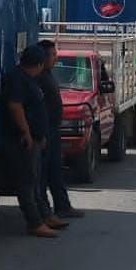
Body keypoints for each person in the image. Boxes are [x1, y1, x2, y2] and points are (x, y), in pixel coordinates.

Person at [3, 45, 69, 237]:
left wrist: (42, 135)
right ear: (39, 64)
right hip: (23, 140)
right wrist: (27, 133)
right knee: (27, 182)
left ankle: (44, 216)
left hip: (38, 138)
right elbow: (15, 106)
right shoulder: (18, 79)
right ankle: (34, 223)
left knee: (36, 179)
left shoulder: (29, 79)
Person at [36, 39, 84, 219]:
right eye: (53, 55)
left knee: (55, 170)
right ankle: (44, 212)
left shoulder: (48, 74)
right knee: (42, 174)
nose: (56, 58)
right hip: (45, 133)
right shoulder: (39, 77)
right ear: (44, 57)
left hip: (54, 131)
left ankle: (62, 206)